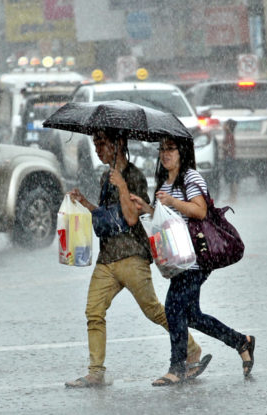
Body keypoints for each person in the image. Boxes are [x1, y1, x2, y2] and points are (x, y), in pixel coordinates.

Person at [65, 129, 210, 388]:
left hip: (132, 255)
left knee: (153, 310)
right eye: (95, 144)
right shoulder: (104, 177)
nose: (98, 149)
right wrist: (84, 202)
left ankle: (191, 348)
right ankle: (96, 372)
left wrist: (122, 184)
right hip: (107, 257)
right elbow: (108, 217)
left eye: (102, 143)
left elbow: (131, 218)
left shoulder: (133, 176)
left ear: (118, 144)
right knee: (93, 312)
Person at [130, 136, 255, 386]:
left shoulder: (191, 178)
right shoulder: (165, 182)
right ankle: (241, 341)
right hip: (178, 258)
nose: (165, 154)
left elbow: (199, 211)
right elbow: (168, 218)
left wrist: (172, 201)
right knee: (192, 315)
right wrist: (147, 207)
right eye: (162, 149)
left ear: (182, 151)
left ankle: (178, 367)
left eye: (171, 149)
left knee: (173, 307)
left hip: (196, 257)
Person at [221, 119, 240, 203]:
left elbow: (229, 148)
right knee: (231, 179)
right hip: (229, 158)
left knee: (233, 179)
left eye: (225, 124)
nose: (223, 126)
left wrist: (221, 146)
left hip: (230, 158)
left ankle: (233, 198)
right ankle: (231, 197)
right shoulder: (228, 135)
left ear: (228, 126)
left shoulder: (229, 136)